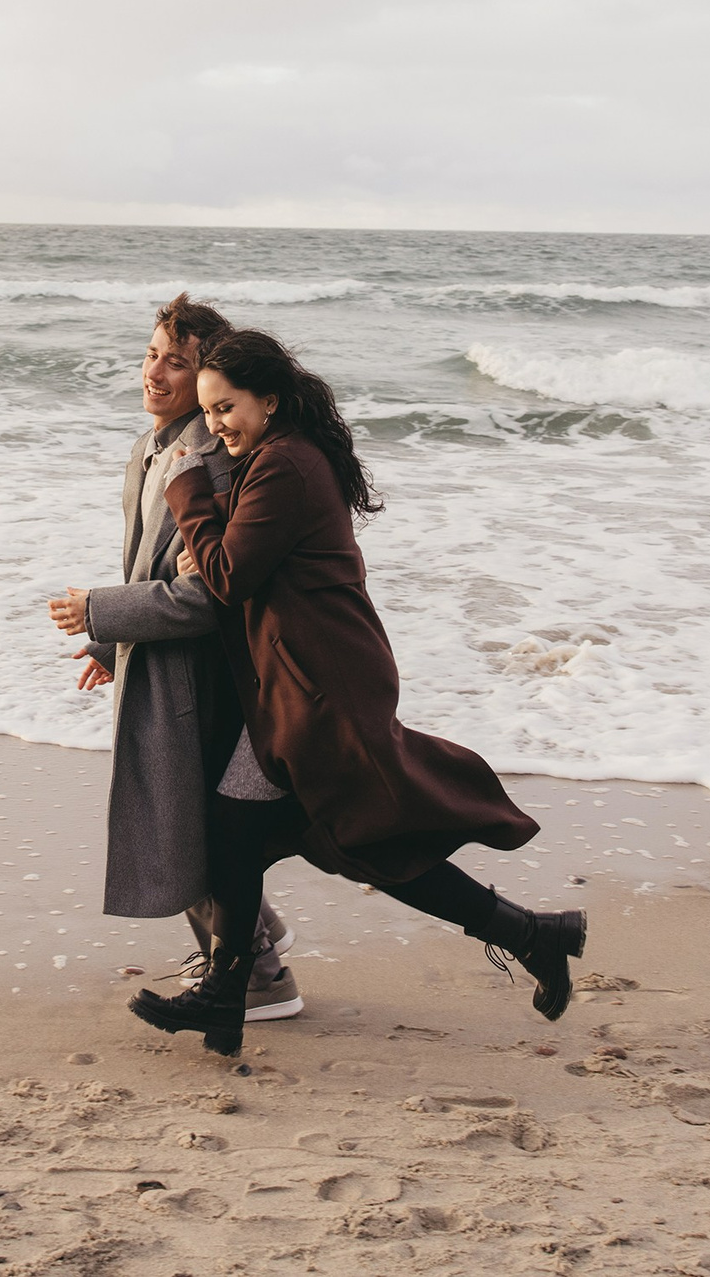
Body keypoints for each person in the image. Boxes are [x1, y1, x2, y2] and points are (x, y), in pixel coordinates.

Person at [129, 328, 586, 1057]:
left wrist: (189, 493)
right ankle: (230, 998)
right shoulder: (274, 459)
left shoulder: (284, 466)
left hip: (321, 688)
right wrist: (208, 529)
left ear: (269, 400)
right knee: (288, 835)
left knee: (321, 835)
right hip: (301, 681)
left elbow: (226, 576)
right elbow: (233, 562)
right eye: (209, 412)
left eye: (227, 408)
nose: (215, 425)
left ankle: (230, 992)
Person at [45, 294, 304, 1022]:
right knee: (180, 821)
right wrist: (108, 638)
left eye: (178, 362)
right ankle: (251, 946)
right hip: (159, 663)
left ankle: (261, 975)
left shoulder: (209, 463)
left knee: (182, 824)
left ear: (207, 376)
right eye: (153, 353)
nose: (156, 371)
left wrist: (102, 611)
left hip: (202, 678)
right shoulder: (152, 447)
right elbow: (147, 565)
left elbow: (206, 596)